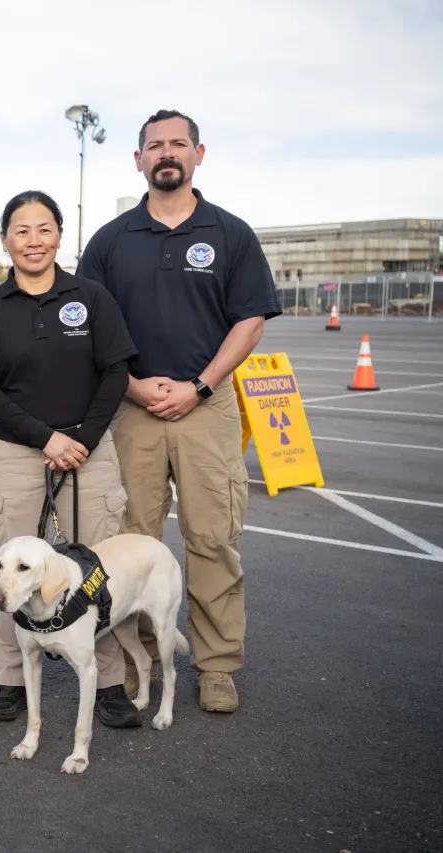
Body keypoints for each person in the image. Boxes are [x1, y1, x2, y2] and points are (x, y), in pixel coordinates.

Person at [78, 109, 281, 713]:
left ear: (198, 153)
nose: (167, 154)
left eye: (178, 144)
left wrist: (200, 384)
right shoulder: (111, 240)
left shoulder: (230, 233)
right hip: (133, 410)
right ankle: (142, 660)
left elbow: (249, 322)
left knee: (212, 539)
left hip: (207, 408)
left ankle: (216, 668)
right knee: (132, 543)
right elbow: (89, 326)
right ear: (137, 160)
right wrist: (135, 388)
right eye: (155, 146)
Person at [0, 190, 140, 728]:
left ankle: (107, 683)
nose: (33, 240)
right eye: (21, 230)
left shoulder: (92, 297)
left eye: (44, 229)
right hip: (16, 455)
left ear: (59, 234)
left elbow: (114, 373)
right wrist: (47, 440)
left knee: (94, 572)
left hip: (90, 452)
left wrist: (81, 437)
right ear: (5, 240)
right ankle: (10, 681)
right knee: (14, 572)